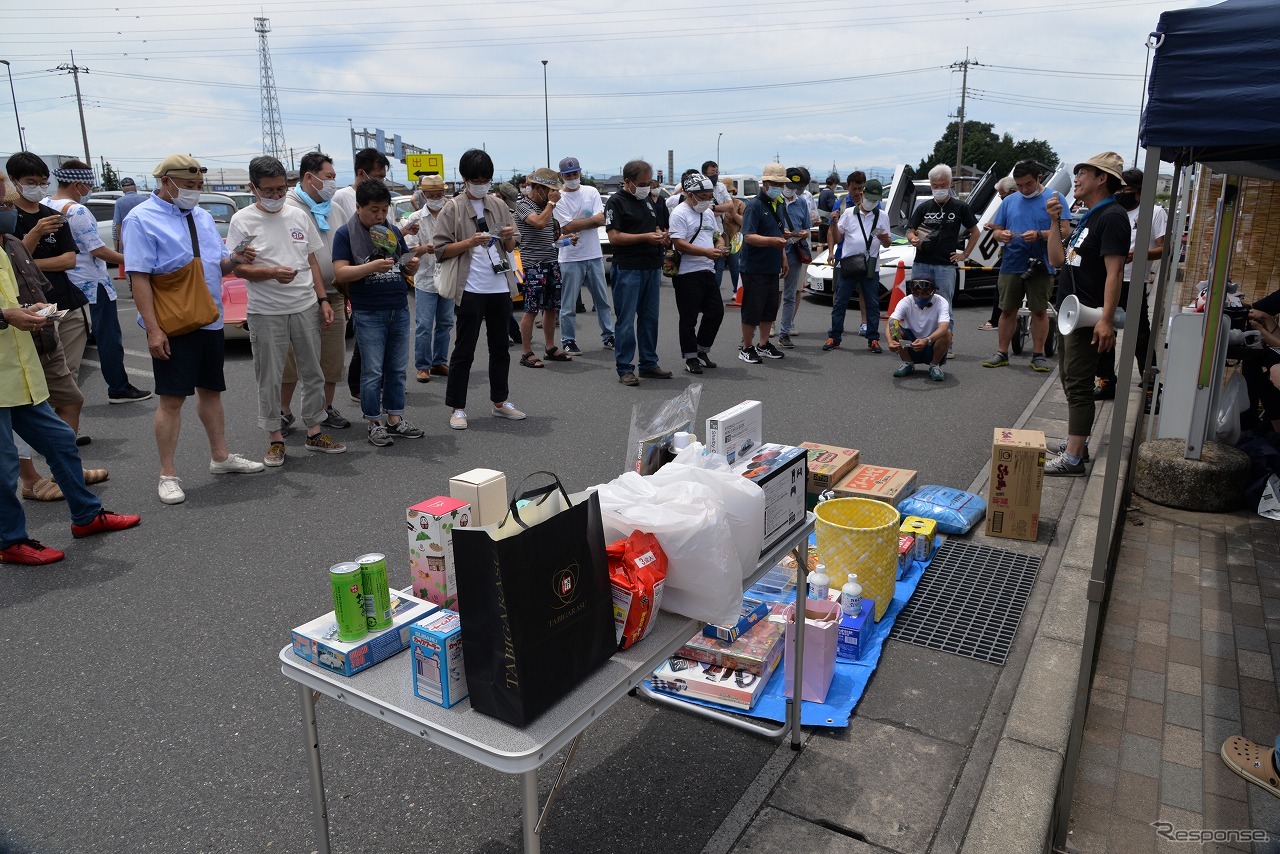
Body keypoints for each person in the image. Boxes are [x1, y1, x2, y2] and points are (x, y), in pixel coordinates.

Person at [122, 154, 267, 505]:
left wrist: (237, 259)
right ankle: (167, 474)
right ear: (166, 182)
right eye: (188, 186)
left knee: (211, 390)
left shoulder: (201, 216)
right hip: (172, 321)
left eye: (199, 186)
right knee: (172, 399)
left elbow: (217, 263)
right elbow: (138, 277)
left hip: (209, 316)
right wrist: (154, 330)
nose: (194, 192)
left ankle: (220, 456)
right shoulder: (140, 218)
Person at [0, 232, 141, 565]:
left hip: (18, 375)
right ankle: (10, 541)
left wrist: (24, 310)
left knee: (62, 439)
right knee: (5, 466)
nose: (6, 211)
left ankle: (87, 516)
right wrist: (6, 316)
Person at [226, 155, 345, 466]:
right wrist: (270, 272)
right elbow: (237, 270)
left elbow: (311, 261)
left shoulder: (297, 216)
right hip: (265, 311)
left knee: (313, 372)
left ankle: (314, 431)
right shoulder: (243, 220)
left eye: (281, 189)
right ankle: (275, 438)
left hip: (305, 305)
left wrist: (322, 300)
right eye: (268, 191)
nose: (276, 197)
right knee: (269, 377)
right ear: (253, 188)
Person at [1, 187, 101, 502]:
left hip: (35, 341)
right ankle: (30, 485)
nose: (9, 207)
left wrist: (31, 311)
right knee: (8, 446)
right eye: (3, 202)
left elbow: (46, 274)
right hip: (9, 358)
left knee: (67, 408)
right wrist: (7, 314)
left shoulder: (11, 243)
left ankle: (71, 484)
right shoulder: (21, 236)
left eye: (8, 201)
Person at [1045, 152, 1130, 477]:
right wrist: (1053, 222)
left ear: (1102, 178)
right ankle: (1076, 444)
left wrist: (1106, 319)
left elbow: (1114, 272)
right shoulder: (1090, 218)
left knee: (1079, 385)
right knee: (1069, 380)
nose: (1076, 179)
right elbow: (1056, 260)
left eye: (1083, 173)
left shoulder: (1112, 216)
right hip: (1071, 315)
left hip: (1087, 316)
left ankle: (1074, 459)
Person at [432, 148, 526, 430]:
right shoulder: (453, 208)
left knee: (501, 347)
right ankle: (457, 407)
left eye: (486, 178)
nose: (481, 183)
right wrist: (470, 242)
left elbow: (512, 245)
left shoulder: (498, 204)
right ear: (464, 179)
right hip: (470, 287)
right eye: (476, 179)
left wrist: (509, 238)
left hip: (499, 285)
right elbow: (440, 250)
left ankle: (500, 402)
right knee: (465, 349)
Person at [47, 160, 152, 403]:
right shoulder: (77, 211)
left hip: (62, 285)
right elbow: (97, 250)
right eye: (89, 185)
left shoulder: (45, 204)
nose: (90, 190)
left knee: (63, 345)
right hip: (91, 284)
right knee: (108, 338)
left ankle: (60, 400)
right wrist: (132, 260)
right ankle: (118, 387)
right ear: (77, 184)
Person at [332, 179, 424, 446]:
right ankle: (374, 422)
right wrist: (371, 268)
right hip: (368, 311)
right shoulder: (345, 234)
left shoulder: (391, 230)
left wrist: (412, 264)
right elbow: (340, 271)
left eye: (384, 210)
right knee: (372, 371)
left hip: (398, 306)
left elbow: (404, 265)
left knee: (396, 369)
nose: (380, 216)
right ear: (358, 206)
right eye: (374, 210)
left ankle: (395, 419)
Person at [6, 153, 91, 386]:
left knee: (69, 381)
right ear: (13, 180)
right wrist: (34, 234)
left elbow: (69, 260)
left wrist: (29, 264)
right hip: (31, 310)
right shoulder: (8, 218)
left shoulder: (53, 215)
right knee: (37, 382)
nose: (39, 187)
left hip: (67, 304)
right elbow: (11, 263)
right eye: (31, 182)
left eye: (43, 182)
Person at [281, 151, 351, 431]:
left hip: (333, 296)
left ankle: (325, 409)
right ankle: (283, 412)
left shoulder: (335, 208)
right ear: (309, 177)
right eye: (329, 177)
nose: (333, 183)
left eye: (334, 177)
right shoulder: (287, 207)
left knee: (331, 358)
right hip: (296, 297)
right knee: (290, 362)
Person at [984, 161, 1071, 372]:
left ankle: (1038, 355)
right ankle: (1002, 352)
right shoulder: (1010, 201)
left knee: (1039, 310)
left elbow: (1065, 231)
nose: (1024, 189)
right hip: (1012, 262)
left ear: (1039, 178)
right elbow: (996, 231)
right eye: (1020, 185)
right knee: (1007, 310)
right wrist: (1001, 235)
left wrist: (1040, 234)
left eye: (1029, 184)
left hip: (1042, 263)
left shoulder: (1055, 198)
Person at [1093, 167, 1164, 400]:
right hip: (1106, 280)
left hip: (1133, 281)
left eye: (1128, 190)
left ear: (1140, 192)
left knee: (1139, 334)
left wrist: (1140, 253)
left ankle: (1150, 382)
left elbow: (1165, 249)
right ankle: (1105, 381)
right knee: (1104, 330)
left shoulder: (1154, 212)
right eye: (1120, 188)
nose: (1123, 193)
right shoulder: (1111, 211)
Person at [332, 149, 393, 403]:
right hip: (358, 278)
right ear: (362, 173)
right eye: (378, 176)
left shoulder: (383, 212)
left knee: (380, 344)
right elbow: (343, 245)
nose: (381, 181)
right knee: (364, 341)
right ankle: (360, 390)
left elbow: (388, 236)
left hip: (383, 282)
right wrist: (368, 266)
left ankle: (382, 393)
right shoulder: (340, 199)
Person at [605, 159, 671, 385]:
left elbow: (653, 227)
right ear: (628, 181)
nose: (647, 187)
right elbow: (615, 237)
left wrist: (661, 235)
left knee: (650, 319)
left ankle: (649, 363)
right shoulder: (616, 202)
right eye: (642, 183)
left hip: (652, 266)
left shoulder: (648, 201)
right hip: (628, 268)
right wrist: (645, 237)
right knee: (625, 320)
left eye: (649, 182)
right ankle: (625, 368)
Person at [907, 164, 979, 356]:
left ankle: (947, 345)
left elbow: (975, 232)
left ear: (950, 184)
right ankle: (918, 342)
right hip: (921, 262)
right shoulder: (924, 207)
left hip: (946, 265)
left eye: (942, 185)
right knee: (918, 302)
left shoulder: (960, 207)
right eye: (935, 185)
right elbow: (910, 229)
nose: (938, 188)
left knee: (944, 305)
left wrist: (964, 254)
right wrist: (912, 238)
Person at [824, 175, 892, 353]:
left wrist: (886, 240)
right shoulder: (849, 213)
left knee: (872, 304)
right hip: (848, 264)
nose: (872, 202)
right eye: (869, 198)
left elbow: (887, 243)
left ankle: (873, 339)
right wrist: (834, 224)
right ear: (863, 195)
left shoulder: (882, 216)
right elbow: (839, 238)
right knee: (840, 302)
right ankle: (834, 336)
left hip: (871, 266)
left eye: (875, 200)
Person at [553, 156, 614, 354]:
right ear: (561, 176)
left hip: (593, 254)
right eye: (568, 174)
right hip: (570, 257)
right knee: (568, 304)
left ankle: (609, 335)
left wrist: (579, 222)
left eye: (575, 173)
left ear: (580, 172)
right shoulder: (558, 198)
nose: (573, 177)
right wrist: (590, 220)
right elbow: (567, 226)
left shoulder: (591, 191)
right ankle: (568, 340)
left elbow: (601, 219)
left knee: (602, 301)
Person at [738, 163, 798, 364]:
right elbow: (748, 237)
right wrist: (772, 241)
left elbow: (778, 233)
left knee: (770, 308)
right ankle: (746, 347)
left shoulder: (778, 203)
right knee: (752, 309)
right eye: (775, 183)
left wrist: (782, 256)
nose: (779, 188)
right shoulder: (754, 205)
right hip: (754, 266)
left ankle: (763, 344)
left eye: (781, 184)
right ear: (765, 182)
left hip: (772, 264)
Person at [669, 172, 727, 375]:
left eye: (709, 196)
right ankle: (690, 356)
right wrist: (707, 252)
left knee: (716, 312)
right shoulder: (679, 213)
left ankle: (702, 350)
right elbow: (679, 243)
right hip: (687, 272)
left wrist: (719, 246)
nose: (706, 200)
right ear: (688, 193)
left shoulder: (708, 212)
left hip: (707, 269)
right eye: (702, 197)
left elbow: (717, 235)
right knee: (689, 317)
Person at [513, 168, 569, 369]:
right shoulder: (523, 205)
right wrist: (552, 204)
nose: (553, 194)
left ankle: (550, 347)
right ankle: (526, 352)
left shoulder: (546, 206)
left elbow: (549, 236)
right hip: (534, 264)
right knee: (531, 309)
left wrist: (565, 240)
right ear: (538, 188)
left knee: (552, 307)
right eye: (549, 190)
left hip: (550, 261)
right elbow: (538, 223)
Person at [401, 174, 453, 383]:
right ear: (423, 194)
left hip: (448, 275)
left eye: (439, 194)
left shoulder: (452, 214)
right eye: (431, 195)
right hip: (425, 278)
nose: (435, 198)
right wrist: (424, 249)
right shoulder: (415, 219)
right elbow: (405, 253)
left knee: (446, 322)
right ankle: (423, 366)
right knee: (424, 324)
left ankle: (439, 361)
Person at [888, 275, 952, 381]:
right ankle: (908, 363)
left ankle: (934, 365)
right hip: (910, 344)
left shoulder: (941, 302)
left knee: (947, 333)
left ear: (933, 291)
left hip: (931, 343)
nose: (920, 296)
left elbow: (944, 327)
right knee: (894, 327)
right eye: (916, 293)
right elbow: (891, 322)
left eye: (925, 293)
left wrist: (926, 340)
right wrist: (891, 341)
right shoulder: (906, 301)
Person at [778, 166, 814, 349]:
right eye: (788, 186)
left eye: (795, 188)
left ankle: (784, 332)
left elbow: (807, 228)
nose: (791, 190)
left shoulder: (801, 203)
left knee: (791, 294)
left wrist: (801, 234)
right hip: (774, 251)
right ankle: (764, 328)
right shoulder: (774, 201)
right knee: (772, 293)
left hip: (794, 251)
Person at [979, 176, 1018, 331]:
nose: (1001, 199)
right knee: (1001, 289)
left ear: (1013, 192)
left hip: (1025, 255)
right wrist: (996, 228)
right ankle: (996, 320)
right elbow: (1000, 229)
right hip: (1007, 254)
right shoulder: (1007, 205)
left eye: (1002, 196)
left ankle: (998, 320)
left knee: (1004, 291)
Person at [700, 161, 736, 288]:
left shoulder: (720, 187)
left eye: (717, 172)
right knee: (704, 265)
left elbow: (730, 205)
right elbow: (700, 209)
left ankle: (714, 293)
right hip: (703, 232)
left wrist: (713, 208)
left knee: (719, 264)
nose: (715, 175)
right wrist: (720, 209)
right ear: (704, 173)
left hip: (718, 230)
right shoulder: (699, 187)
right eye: (712, 172)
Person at [721, 177, 745, 294]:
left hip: (735, 239)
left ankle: (737, 290)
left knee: (734, 266)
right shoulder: (719, 204)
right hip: (721, 239)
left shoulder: (739, 203)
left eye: (729, 191)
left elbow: (743, 222)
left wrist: (733, 213)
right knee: (718, 267)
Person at [112, 177, 148, 252]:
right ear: (135, 188)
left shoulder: (119, 202)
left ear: (123, 190)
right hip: (145, 236)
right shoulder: (146, 200)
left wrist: (121, 238)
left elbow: (118, 223)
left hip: (128, 238)